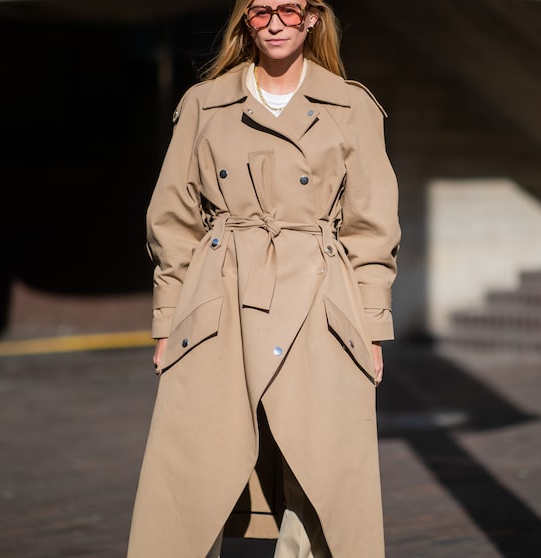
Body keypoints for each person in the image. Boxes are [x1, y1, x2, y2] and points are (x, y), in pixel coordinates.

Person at [127, 1, 400, 556]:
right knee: (194, 463)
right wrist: (166, 320)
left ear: (313, 18)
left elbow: (372, 228)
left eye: (289, 10)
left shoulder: (351, 107)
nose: (275, 22)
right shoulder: (204, 104)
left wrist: (372, 327)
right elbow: (172, 221)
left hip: (321, 298)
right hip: (218, 297)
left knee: (321, 467)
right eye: (260, 11)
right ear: (244, 21)